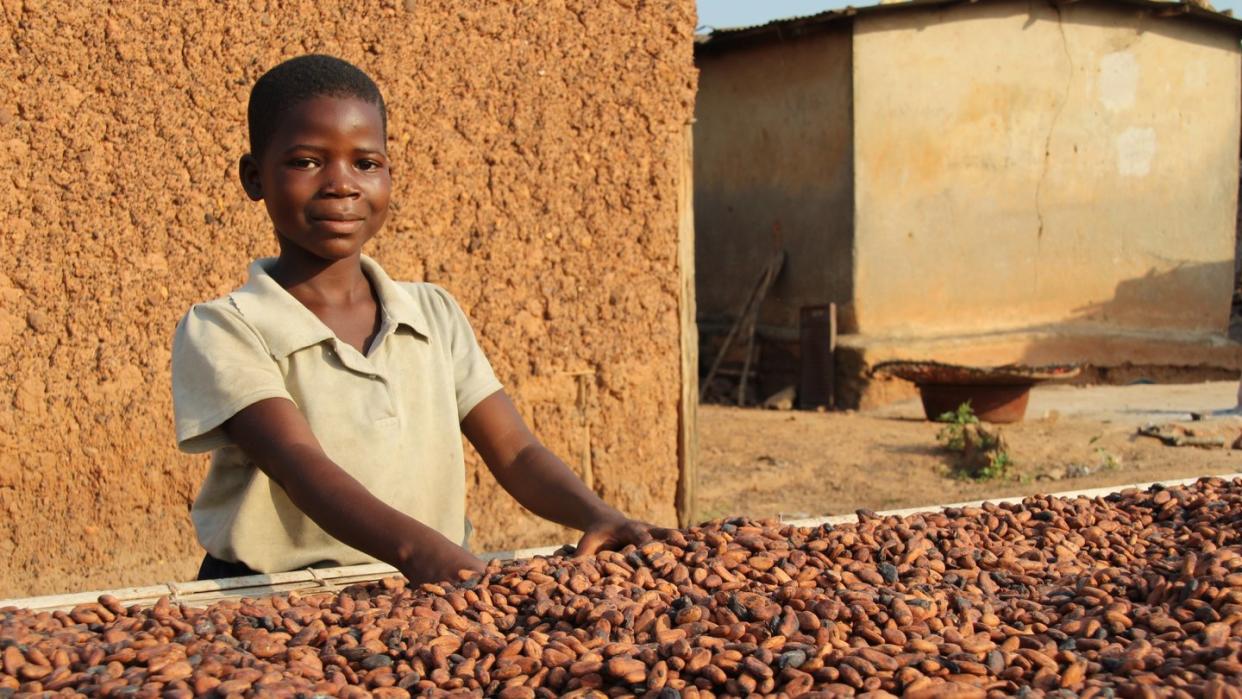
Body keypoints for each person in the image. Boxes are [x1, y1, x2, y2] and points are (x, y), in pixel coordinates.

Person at [171, 55, 655, 583]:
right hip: (270, 598)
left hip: (428, 590)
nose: (342, 185)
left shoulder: (433, 313)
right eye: (307, 162)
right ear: (254, 177)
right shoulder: (227, 327)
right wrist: (421, 553)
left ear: (388, 174)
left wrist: (596, 514)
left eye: (366, 163)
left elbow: (515, 451)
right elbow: (297, 463)